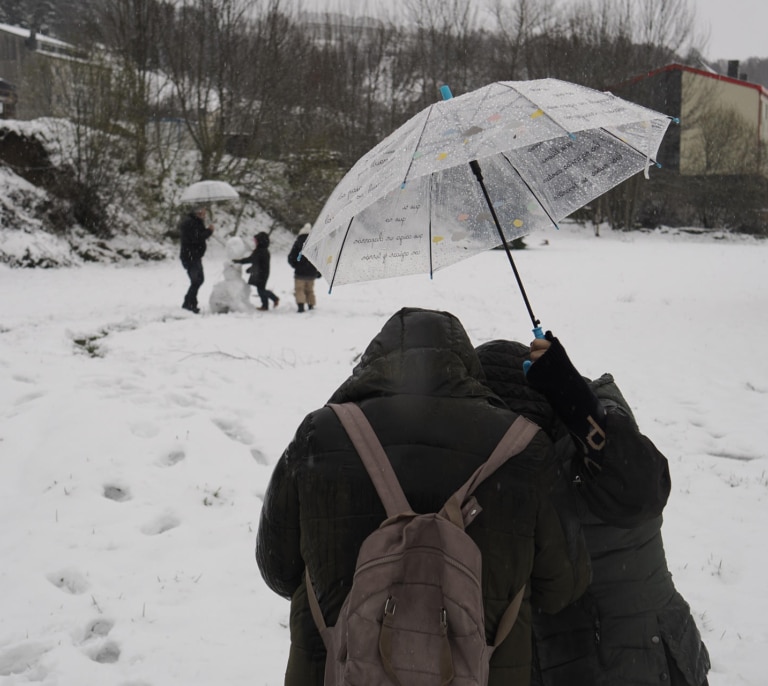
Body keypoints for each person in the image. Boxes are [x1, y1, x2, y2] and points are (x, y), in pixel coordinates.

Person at [256, 307, 590, 686]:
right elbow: (563, 585)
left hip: (334, 669)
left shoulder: (321, 434)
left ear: (372, 362)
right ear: (466, 366)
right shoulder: (524, 448)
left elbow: (277, 567)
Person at [475, 335, 711, 686]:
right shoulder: (512, 466)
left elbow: (641, 489)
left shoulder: (596, 427)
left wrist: (578, 406)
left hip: (647, 660)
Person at [178, 205, 214, 313]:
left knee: (198, 280)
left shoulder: (196, 222)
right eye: (203, 212)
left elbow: (199, 235)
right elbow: (197, 237)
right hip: (190, 256)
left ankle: (189, 302)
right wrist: (209, 231)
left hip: (195, 256)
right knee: (196, 280)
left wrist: (207, 231)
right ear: (197, 212)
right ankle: (189, 304)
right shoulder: (191, 223)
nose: (204, 214)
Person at [234, 231, 279, 311]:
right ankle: (270, 301)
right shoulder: (263, 250)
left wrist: (239, 261)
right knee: (261, 289)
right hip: (262, 272)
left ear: (260, 241)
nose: (255, 242)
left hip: (261, 274)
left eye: (256, 241)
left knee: (261, 290)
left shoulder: (260, 251)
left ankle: (269, 303)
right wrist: (250, 269)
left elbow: (251, 260)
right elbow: (257, 262)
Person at [287, 223, 321, 313]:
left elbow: (291, 257)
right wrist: (318, 270)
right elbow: (319, 258)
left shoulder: (297, 242)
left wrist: (296, 265)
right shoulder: (315, 243)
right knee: (309, 290)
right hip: (311, 272)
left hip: (300, 273)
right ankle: (310, 305)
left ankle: (301, 306)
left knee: (299, 289)